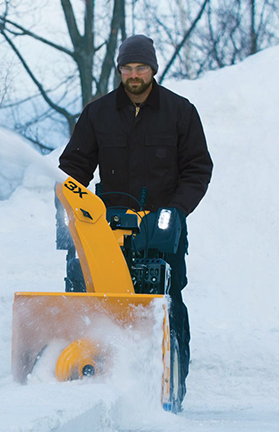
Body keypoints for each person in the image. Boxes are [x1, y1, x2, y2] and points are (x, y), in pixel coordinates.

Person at [58, 34, 213, 410]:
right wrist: (75, 212)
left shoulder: (180, 112)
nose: (133, 75)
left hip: (160, 229)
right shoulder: (99, 114)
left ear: (153, 69)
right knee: (92, 301)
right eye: (127, 68)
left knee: (168, 303)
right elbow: (74, 168)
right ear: (119, 71)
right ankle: (89, 380)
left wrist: (175, 211)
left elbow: (198, 168)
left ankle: (170, 385)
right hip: (105, 229)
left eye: (140, 67)